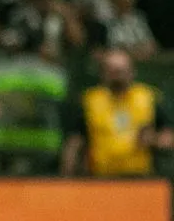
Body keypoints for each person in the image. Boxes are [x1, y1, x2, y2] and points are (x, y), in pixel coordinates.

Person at [60, 48, 172, 177]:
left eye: (122, 71)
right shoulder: (90, 100)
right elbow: (74, 142)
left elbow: (168, 136)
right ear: (103, 73)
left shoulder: (149, 97)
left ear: (132, 72)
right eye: (112, 71)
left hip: (141, 178)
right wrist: (67, 176)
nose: (118, 76)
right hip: (100, 178)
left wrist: (153, 139)